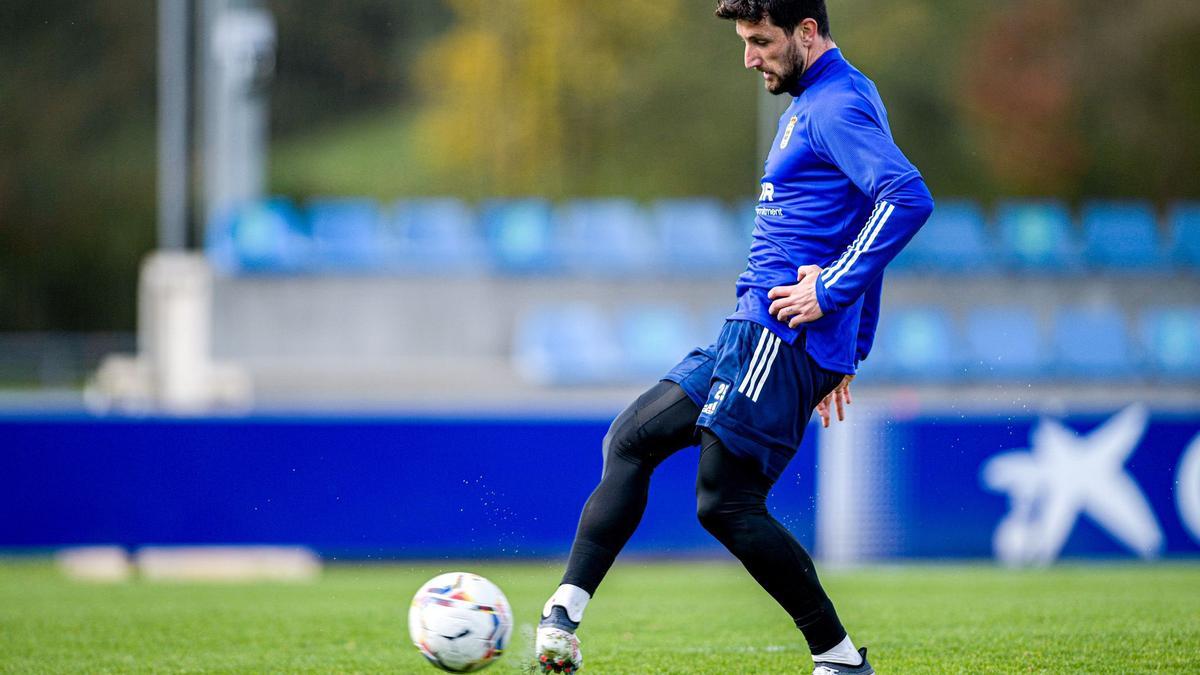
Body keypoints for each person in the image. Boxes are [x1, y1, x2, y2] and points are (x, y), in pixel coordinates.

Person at [534, 1, 934, 673]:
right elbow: (868, 214)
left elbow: (905, 197)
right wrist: (850, 348)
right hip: (751, 327)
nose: (750, 57)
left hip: (777, 331)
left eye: (761, 41)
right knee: (631, 438)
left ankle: (837, 658)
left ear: (807, 31)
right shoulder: (826, 99)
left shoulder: (836, 105)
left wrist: (830, 297)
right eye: (746, 42)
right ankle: (563, 614)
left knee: (726, 500)